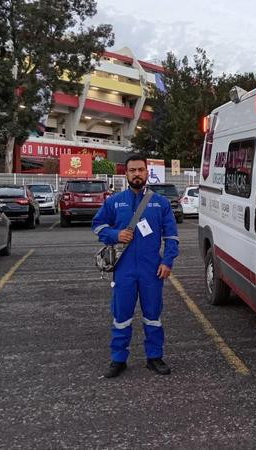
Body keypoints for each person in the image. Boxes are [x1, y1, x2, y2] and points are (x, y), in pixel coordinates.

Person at [92, 154, 179, 377]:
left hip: (152, 270)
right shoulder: (114, 201)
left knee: (153, 316)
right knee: (121, 316)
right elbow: (98, 226)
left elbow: (171, 237)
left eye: (141, 170)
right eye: (132, 170)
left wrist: (167, 261)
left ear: (146, 172)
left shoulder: (161, 203)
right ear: (126, 173)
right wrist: (115, 234)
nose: (137, 174)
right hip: (124, 270)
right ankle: (118, 359)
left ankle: (154, 357)